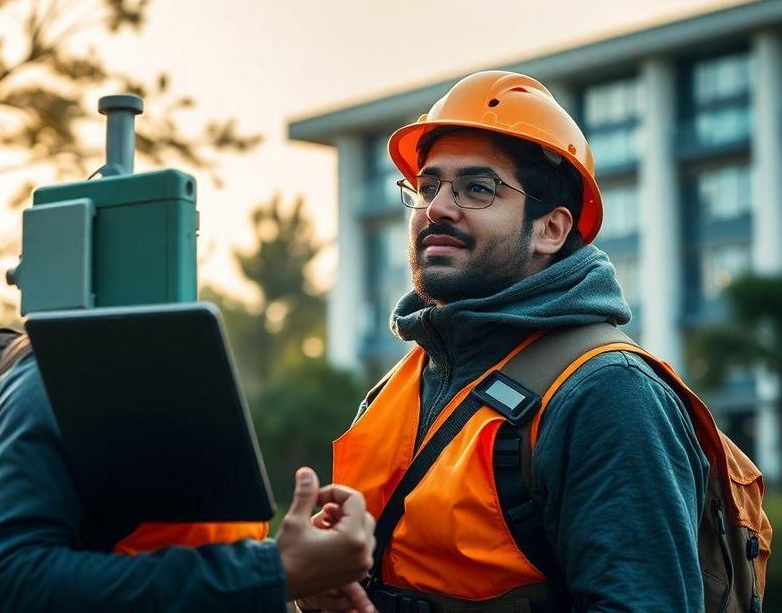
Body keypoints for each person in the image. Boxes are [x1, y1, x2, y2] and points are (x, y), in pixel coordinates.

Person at [298, 70, 714, 612]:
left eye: (477, 188)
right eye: (427, 187)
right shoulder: (401, 385)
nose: (438, 208)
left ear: (551, 230)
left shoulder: (608, 394)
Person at [0, 349, 376, 612]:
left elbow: (173, 557)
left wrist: (298, 580)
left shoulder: (164, 363)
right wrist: (273, 572)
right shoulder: (52, 378)